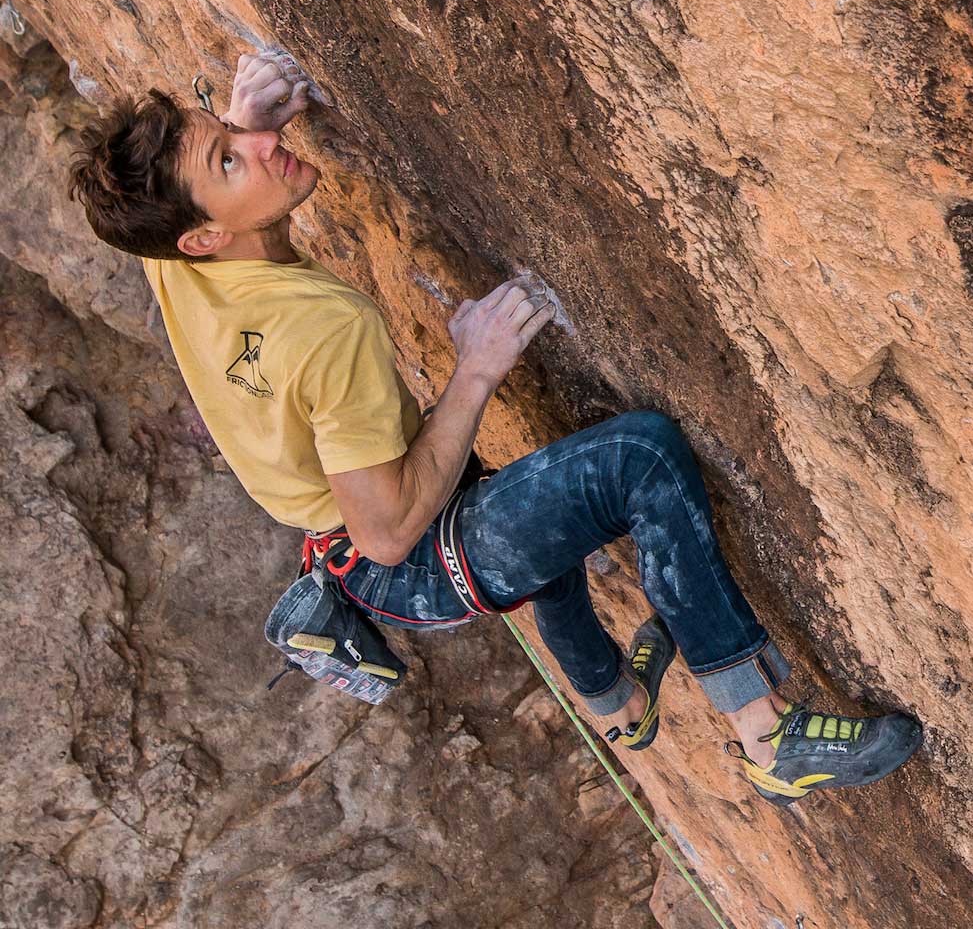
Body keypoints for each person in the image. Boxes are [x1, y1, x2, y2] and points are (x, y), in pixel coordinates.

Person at [63, 51, 921, 805]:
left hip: (349, 533)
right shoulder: (320, 330)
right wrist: (474, 369)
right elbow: (392, 530)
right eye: (231, 159)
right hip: (401, 552)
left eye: (224, 130)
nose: (257, 145)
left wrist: (241, 129)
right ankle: (768, 739)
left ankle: (615, 702)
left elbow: (195, 190)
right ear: (206, 236)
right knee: (637, 459)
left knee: (537, 529)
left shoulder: (173, 254)